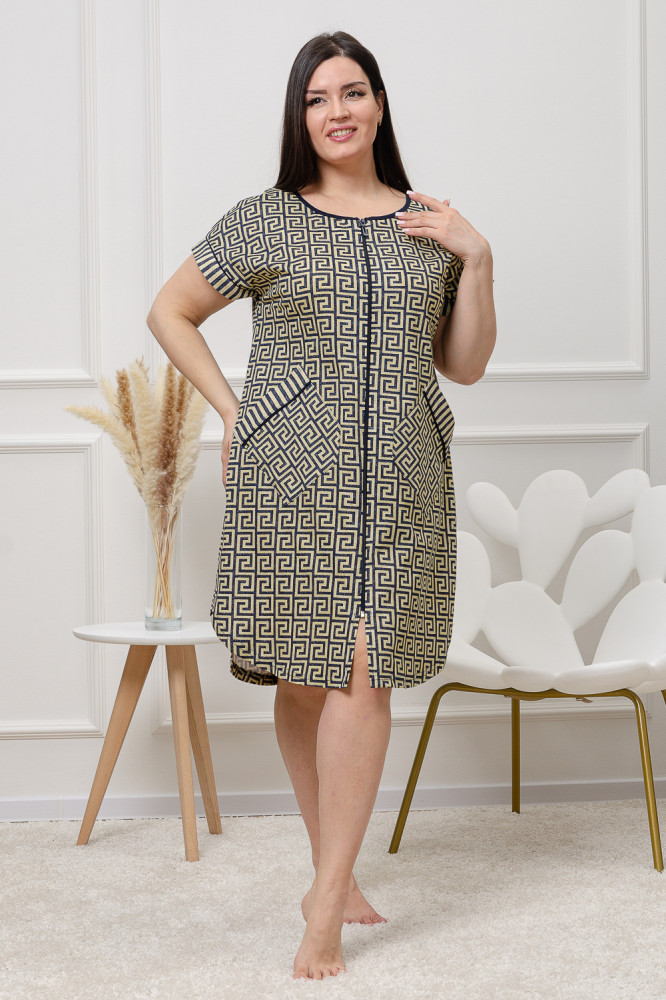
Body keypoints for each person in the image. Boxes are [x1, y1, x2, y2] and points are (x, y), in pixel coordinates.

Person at [147, 30, 496, 980]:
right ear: (299, 117)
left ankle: (326, 906)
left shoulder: (431, 224)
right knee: (305, 678)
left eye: (352, 92)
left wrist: (478, 258)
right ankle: (330, 872)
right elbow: (170, 311)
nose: (336, 111)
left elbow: (463, 365)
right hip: (290, 477)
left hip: (402, 478)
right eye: (316, 98)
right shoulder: (265, 220)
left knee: (363, 670)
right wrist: (235, 412)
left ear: (379, 103)